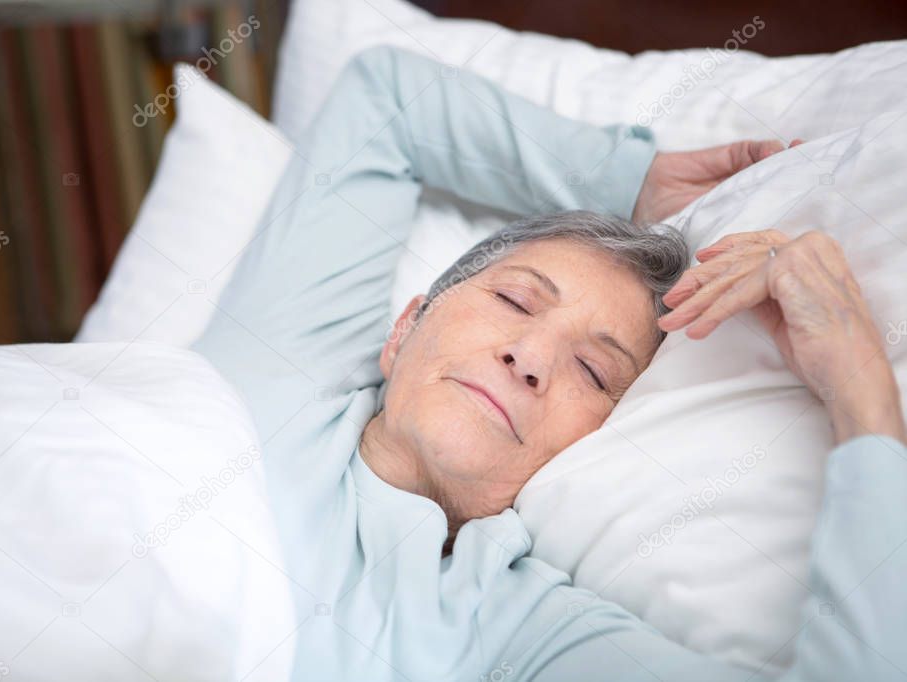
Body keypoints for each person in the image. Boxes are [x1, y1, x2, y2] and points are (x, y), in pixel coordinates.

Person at [192, 45, 907, 681]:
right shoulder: (283, 366)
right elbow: (386, 99)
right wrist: (630, 179)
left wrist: (859, 390)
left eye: (594, 373)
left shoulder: (513, 629)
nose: (529, 356)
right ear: (405, 328)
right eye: (513, 299)